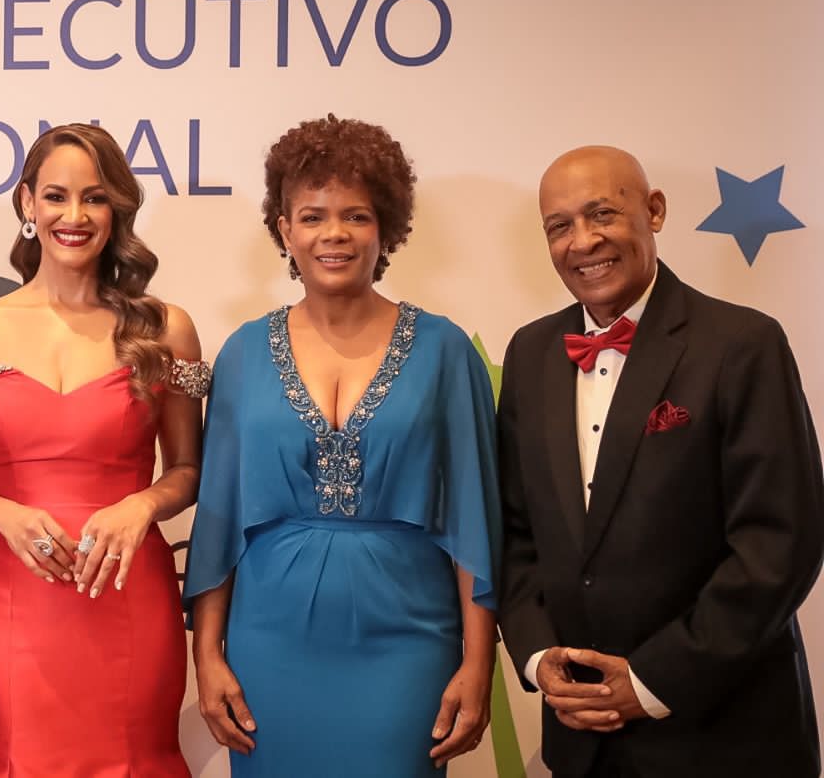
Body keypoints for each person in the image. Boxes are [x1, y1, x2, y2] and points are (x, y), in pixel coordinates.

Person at [184, 115, 500, 775]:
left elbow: (473, 516)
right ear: (285, 231)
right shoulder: (242, 353)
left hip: (409, 644)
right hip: (268, 644)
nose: (334, 234)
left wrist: (478, 662)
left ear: (386, 227)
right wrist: (206, 655)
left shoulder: (444, 350)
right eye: (313, 216)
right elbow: (218, 519)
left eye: (356, 215)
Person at [498, 145, 824, 777]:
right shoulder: (531, 351)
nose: (582, 241)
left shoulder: (743, 343)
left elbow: (779, 544)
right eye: (559, 226)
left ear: (654, 211)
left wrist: (653, 680)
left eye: (602, 214)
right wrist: (539, 657)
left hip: (725, 735)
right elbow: (516, 529)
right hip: (581, 739)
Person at [0, 123, 206, 775]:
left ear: (117, 209)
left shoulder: (165, 327)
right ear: (28, 203)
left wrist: (141, 506)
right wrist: (3, 513)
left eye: (95, 197)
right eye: (56, 196)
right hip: (15, 596)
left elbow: (188, 468)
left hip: (129, 587)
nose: (74, 216)